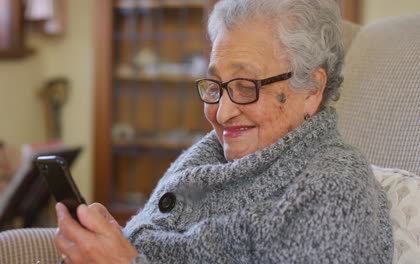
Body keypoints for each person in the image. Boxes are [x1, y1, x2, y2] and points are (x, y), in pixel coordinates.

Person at [54, 0, 393, 263]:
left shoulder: (334, 188)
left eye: (246, 86)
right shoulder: (209, 153)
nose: (222, 112)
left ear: (312, 89)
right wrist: (110, 240)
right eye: (216, 85)